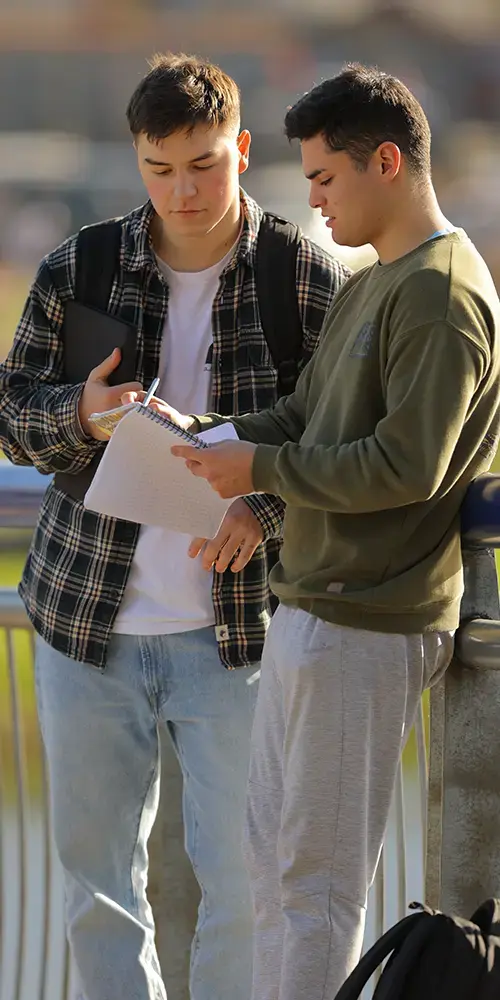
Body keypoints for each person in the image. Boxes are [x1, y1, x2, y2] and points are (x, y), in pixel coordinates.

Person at [0, 54, 350, 1000]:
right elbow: (9, 409)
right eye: (161, 169)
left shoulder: (303, 278)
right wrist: (78, 412)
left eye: (204, 163)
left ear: (240, 149)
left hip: (237, 636)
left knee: (245, 886)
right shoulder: (81, 265)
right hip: (84, 627)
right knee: (98, 888)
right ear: (137, 162)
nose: (184, 190)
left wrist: (265, 507)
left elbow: (345, 438)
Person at [158, 63, 500, 1000]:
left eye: (323, 179)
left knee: (314, 891)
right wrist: (196, 443)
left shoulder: (440, 294)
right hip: (313, 612)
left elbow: (407, 469)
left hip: (370, 622)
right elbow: (301, 417)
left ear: (385, 162)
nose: (310, 199)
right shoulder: (376, 278)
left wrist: (257, 471)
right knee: (272, 875)